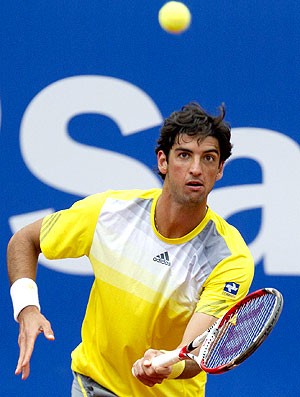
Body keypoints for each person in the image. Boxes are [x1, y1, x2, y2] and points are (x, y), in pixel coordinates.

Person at [7, 102, 254, 397]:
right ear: (163, 161)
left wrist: (166, 364)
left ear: (220, 169)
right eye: (184, 155)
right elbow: (24, 240)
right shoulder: (110, 212)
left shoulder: (229, 257)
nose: (196, 169)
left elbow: (196, 348)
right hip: (96, 385)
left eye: (209, 158)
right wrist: (26, 308)